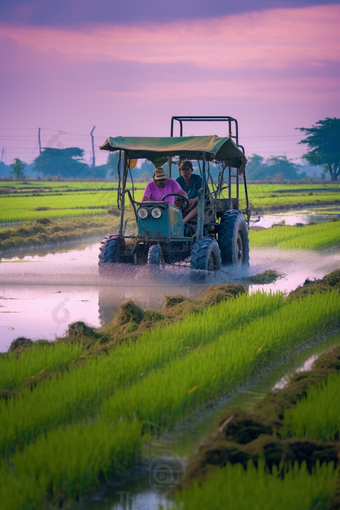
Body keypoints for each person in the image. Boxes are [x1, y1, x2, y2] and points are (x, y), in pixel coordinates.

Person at [176, 161, 202, 225]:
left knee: (200, 206)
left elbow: (204, 194)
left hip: (196, 201)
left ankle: (183, 221)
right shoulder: (178, 181)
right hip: (182, 202)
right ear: (180, 171)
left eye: (187, 169)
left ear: (191, 170)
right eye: (183, 169)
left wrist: (194, 199)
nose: (185, 172)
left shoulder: (197, 179)